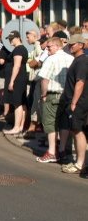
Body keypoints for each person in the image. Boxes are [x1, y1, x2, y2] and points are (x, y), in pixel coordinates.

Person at [36, 36, 74, 164]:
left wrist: (43, 95)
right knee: (64, 123)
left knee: (50, 123)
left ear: (58, 46)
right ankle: (62, 150)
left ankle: (52, 151)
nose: (47, 49)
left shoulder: (51, 59)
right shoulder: (71, 58)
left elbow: (44, 79)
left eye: (49, 46)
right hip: (67, 96)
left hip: (53, 95)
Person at [58, 34, 88, 175]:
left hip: (79, 102)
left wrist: (74, 102)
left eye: (73, 44)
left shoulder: (82, 61)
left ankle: (80, 164)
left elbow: (80, 82)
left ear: (81, 45)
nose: (70, 46)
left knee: (78, 131)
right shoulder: (77, 60)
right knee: (77, 131)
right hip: (75, 101)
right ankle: (80, 162)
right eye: (69, 44)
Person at [3, 31, 29, 136]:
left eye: (12, 38)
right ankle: (21, 126)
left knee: (17, 103)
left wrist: (12, 81)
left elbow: (17, 66)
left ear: (18, 38)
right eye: (9, 38)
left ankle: (17, 127)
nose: (10, 40)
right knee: (22, 103)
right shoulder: (21, 49)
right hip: (21, 79)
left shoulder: (19, 49)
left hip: (18, 79)